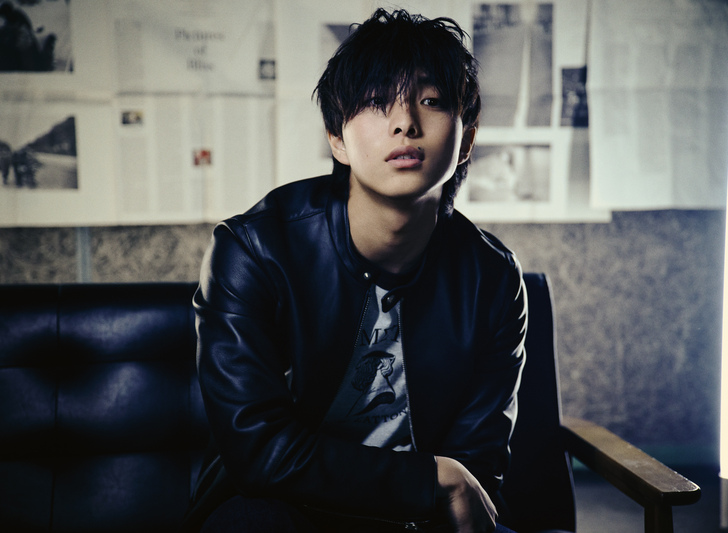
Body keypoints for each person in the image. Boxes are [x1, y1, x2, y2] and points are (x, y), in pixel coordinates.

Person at [184, 9, 527, 533]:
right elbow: (259, 452)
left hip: (421, 521)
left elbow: (476, 466)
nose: (404, 122)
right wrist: (430, 479)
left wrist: (439, 490)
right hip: (284, 512)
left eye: (431, 100)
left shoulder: (493, 279)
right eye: (374, 101)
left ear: (467, 139)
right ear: (337, 139)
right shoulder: (254, 251)